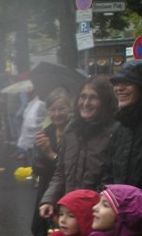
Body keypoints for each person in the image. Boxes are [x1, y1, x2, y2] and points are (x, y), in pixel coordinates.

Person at [39, 77, 117, 218]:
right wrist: (49, 200)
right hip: (71, 212)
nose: (86, 103)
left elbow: (113, 182)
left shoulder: (115, 133)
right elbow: (61, 173)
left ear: (105, 102)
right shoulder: (71, 130)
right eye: (83, 96)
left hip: (97, 216)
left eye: (93, 98)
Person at [31, 88, 73, 236]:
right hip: (47, 195)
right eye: (53, 109)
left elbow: (71, 169)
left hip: (68, 196)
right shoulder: (45, 133)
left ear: (70, 110)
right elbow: (37, 167)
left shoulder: (76, 134)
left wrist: (50, 153)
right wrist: (41, 150)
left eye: (62, 109)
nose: (57, 114)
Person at [103, 60, 142, 189]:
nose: (119, 88)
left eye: (127, 83)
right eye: (116, 83)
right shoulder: (119, 128)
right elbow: (109, 173)